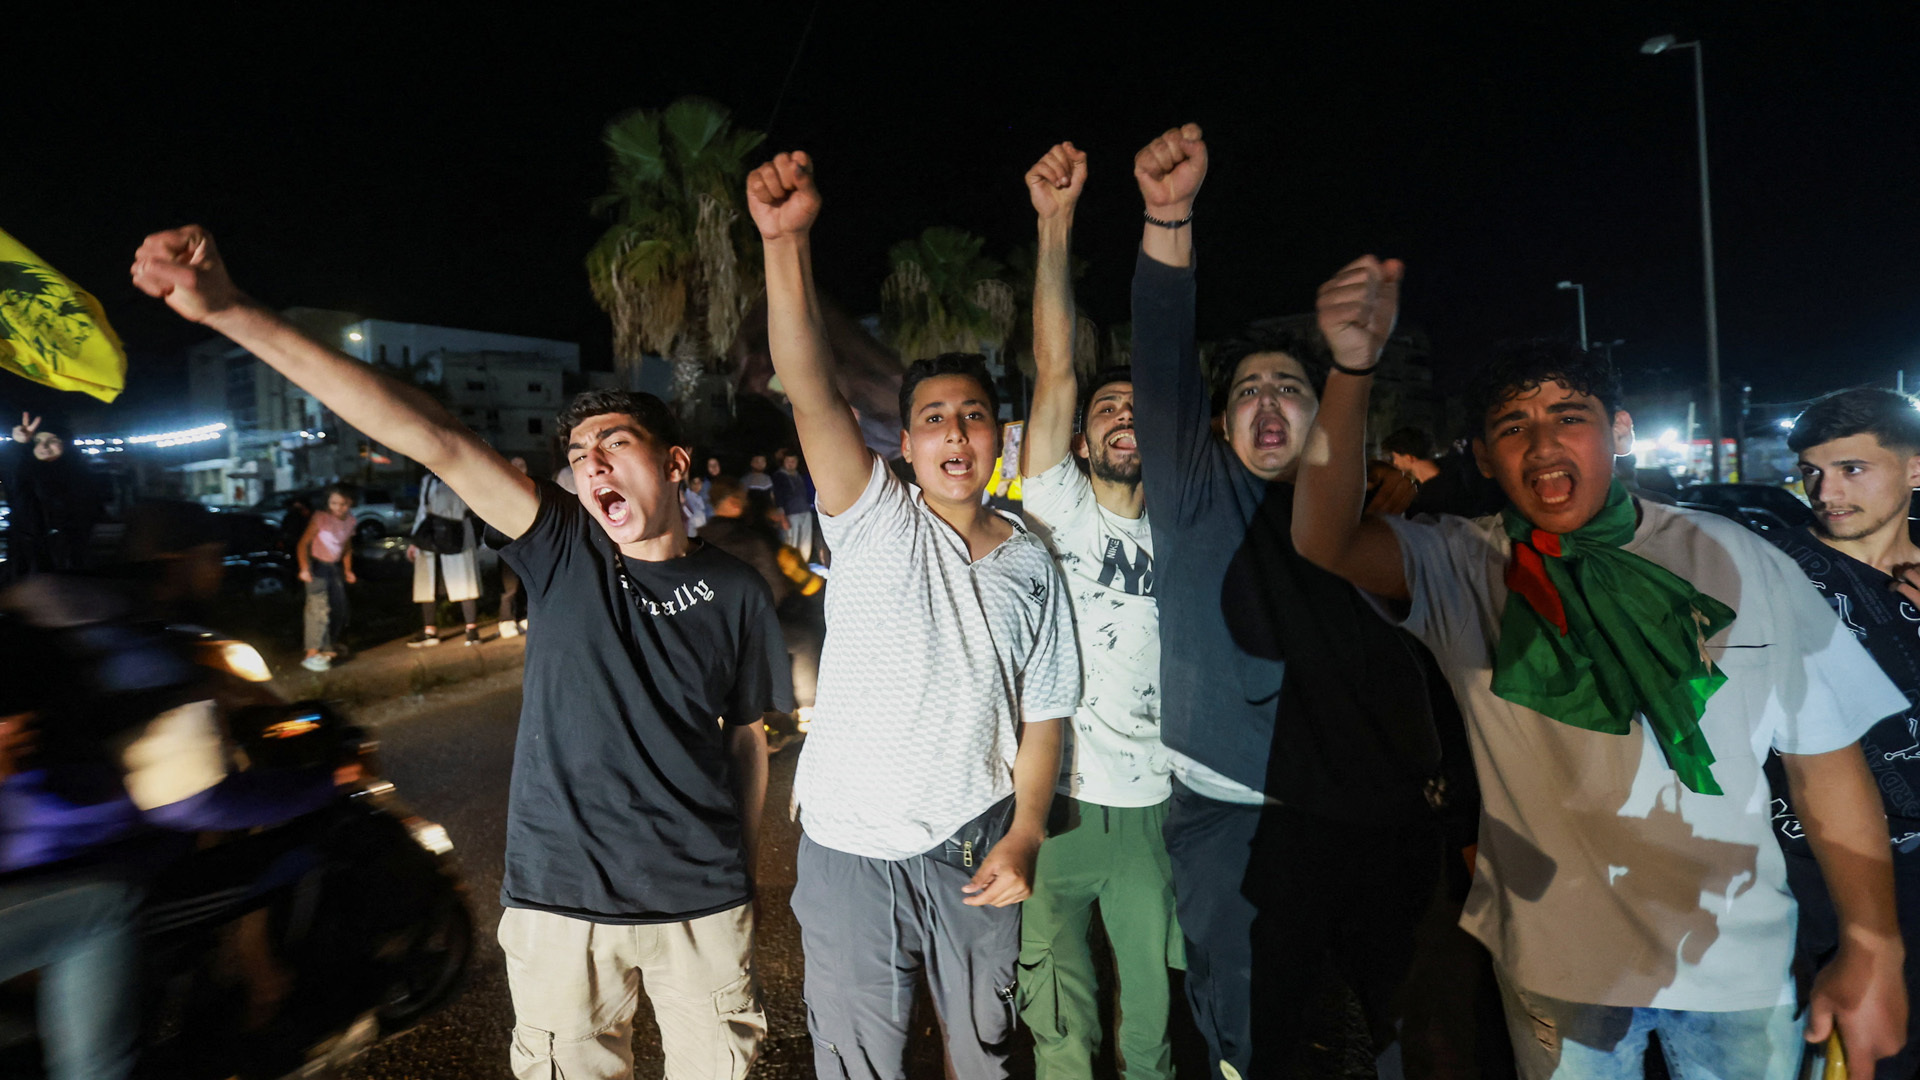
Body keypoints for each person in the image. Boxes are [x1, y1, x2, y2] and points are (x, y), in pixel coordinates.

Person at [132, 226, 786, 1080]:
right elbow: (436, 437)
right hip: (562, 912)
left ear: (675, 463)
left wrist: (738, 872)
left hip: (702, 906)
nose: (592, 467)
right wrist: (232, 312)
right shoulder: (563, 550)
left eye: (615, 445)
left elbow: (744, 737)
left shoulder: (736, 590)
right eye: (578, 457)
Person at [1291, 251, 1910, 1077]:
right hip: (1559, 967)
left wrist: (1873, 942)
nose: (1543, 443)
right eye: (1513, 426)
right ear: (1482, 455)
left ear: (1617, 433)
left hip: (1736, 958)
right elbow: (1322, 539)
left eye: (1568, 415)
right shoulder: (1463, 565)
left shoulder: (1737, 557)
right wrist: (1353, 366)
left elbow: (1823, 760)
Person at [749, 150, 1078, 1080]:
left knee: (984, 1056)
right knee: (859, 1064)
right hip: (850, 852)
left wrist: (1023, 832)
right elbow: (807, 383)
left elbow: (1044, 716)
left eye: (973, 415)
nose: (955, 433)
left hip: (975, 840)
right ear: (907, 440)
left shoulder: (1030, 559)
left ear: (997, 435)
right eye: (933, 417)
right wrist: (785, 244)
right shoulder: (872, 514)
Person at [1129, 125, 1443, 1079]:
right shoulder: (1192, 493)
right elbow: (1160, 349)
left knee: (1415, 1028)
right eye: (1247, 392)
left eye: (1291, 389)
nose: (1269, 402)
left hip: (1383, 817)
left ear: (1327, 413)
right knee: (1255, 1037)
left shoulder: (1376, 516)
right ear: (1218, 426)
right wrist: (1168, 216)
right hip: (1239, 821)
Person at [1016, 141, 1180, 1080]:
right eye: (1106, 407)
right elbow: (1054, 366)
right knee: (1061, 1028)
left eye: (1138, 407)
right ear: (1080, 442)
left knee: (1151, 1031)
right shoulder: (1059, 506)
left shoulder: (1183, 535)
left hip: (1151, 812)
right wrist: (1055, 224)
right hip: (1056, 807)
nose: (1122, 414)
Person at [1769, 387, 1920, 1076]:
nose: (1826, 490)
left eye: (1853, 468)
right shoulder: (1775, 576)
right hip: (1827, 884)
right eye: (1811, 471)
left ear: (1915, 469)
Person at [4, 412, 95, 581]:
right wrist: (17, 445)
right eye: (37, 441)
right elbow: (11, 474)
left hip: (73, 559)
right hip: (29, 561)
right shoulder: (24, 476)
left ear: (66, 444)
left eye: (52, 440)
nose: (44, 447)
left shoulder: (81, 476)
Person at [407, 471, 481, 647]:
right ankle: (430, 630)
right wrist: (415, 540)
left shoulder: (462, 473)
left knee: (465, 580)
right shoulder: (429, 479)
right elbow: (423, 510)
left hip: (458, 531)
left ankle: (472, 630)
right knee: (427, 581)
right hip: (433, 531)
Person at [296, 484, 358, 671]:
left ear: (350, 503)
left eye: (343, 504)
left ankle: (327, 646)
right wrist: (304, 568)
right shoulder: (321, 518)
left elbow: (347, 547)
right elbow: (303, 544)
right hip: (317, 566)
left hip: (333, 567)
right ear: (328, 503)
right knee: (318, 608)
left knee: (339, 608)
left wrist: (348, 570)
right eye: (334, 503)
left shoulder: (351, 521)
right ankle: (311, 654)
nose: (338, 508)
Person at [497, 456, 529, 638]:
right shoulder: (502, 487)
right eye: (515, 464)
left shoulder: (531, 485)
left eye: (522, 464)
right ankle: (506, 620)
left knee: (525, 582)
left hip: (526, 542)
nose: (519, 467)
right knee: (510, 586)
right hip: (507, 543)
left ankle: (522, 615)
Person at [770, 451, 816, 560]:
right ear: (783, 462)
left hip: (805, 512)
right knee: (791, 543)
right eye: (788, 461)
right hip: (790, 514)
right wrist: (782, 517)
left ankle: (804, 566)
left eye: (793, 461)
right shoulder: (779, 477)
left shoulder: (800, 476)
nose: (791, 463)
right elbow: (777, 497)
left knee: (805, 543)